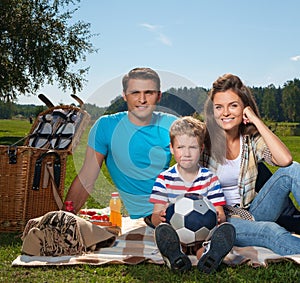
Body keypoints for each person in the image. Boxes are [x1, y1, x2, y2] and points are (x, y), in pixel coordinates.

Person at [200, 73, 300, 256]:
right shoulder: (203, 141)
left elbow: (285, 160)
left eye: (233, 105)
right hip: (222, 219)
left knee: (293, 169)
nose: (226, 113)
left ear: (244, 108)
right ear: (212, 111)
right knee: (271, 231)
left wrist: (256, 121)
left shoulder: (250, 140)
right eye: (219, 107)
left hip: (252, 211)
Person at [64, 67, 177, 220]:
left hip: (173, 210)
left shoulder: (172, 125)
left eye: (149, 92)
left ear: (158, 96)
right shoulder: (106, 126)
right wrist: (65, 218)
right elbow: (87, 176)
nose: (142, 99)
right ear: (124, 95)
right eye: (135, 92)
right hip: (137, 217)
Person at [149, 117, 236, 274]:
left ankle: (208, 257)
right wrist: (160, 217)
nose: (187, 153)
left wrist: (217, 217)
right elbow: (155, 217)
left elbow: (220, 214)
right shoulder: (164, 179)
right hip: (175, 234)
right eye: (181, 147)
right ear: (172, 148)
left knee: (207, 242)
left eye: (193, 147)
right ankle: (175, 256)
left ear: (201, 149)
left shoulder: (210, 179)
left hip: (203, 235)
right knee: (166, 236)